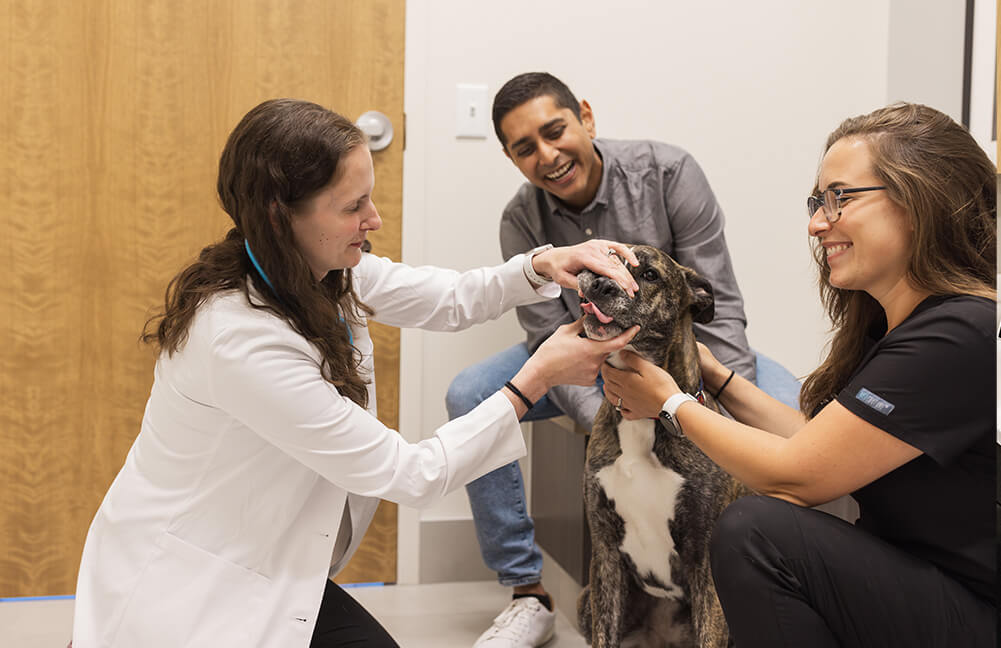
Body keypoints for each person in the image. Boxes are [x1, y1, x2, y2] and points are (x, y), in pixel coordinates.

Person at [69, 98, 646, 648]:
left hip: (267, 562)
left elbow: (446, 297)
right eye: (352, 207)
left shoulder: (316, 270)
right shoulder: (239, 339)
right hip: (188, 590)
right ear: (279, 215)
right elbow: (412, 473)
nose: (373, 218)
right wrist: (536, 379)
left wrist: (540, 265)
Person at [602, 102, 996, 647]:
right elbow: (818, 442)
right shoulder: (901, 327)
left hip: (974, 611)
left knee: (756, 532)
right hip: (921, 584)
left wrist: (670, 404)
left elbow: (798, 475)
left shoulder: (960, 331)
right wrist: (712, 377)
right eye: (817, 201)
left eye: (840, 197)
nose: (816, 223)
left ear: (920, 201)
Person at [445, 72, 800, 647]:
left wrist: (709, 424)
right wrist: (614, 416)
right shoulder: (521, 221)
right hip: (583, 350)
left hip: (684, 348)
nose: (548, 156)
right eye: (525, 149)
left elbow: (721, 303)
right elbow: (545, 340)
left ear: (585, 116)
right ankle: (525, 591)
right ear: (512, 159)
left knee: (786, 417)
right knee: (468, 394)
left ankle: (772, 595)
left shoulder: (669, 173)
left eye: (555, 131)